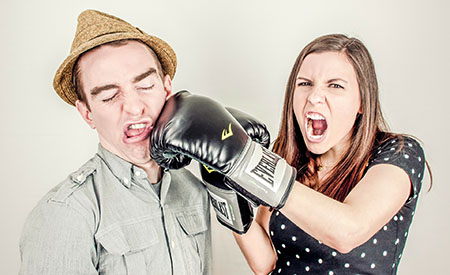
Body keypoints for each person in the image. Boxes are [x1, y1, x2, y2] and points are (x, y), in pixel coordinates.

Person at [149, 34, 431, 275]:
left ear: (362, 102)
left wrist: (245, 162)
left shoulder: (398, 153)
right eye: (305, 83)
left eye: (335, 85)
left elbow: (348, 231)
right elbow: (266, 262)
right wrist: (221, 182)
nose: (314, 96)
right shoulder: (286, 159)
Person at [19, 10, 211, 275]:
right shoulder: (66, 214)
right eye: (109, 96)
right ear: (88, 114)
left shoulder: (194, 190)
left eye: (145, 86)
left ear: (167, 90)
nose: (133, 108)